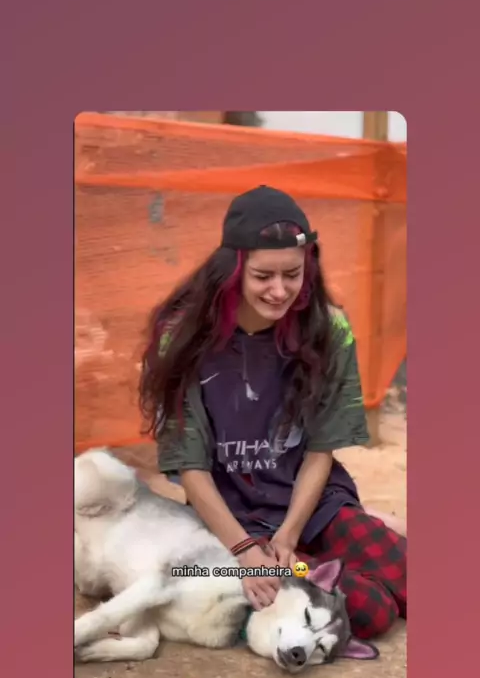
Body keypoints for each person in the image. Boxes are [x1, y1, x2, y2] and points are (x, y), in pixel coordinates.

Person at [138, 185, 406, 641]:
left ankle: (333, 546)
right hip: (236, 518)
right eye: (263, 276)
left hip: (313, 504)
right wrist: (245, 551)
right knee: (373, 611)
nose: (279, 290)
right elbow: (190, 468)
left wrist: (288, 536)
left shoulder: (329, 329)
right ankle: (314, 566)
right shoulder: (181, 337)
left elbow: (320, 450)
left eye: (292, 274)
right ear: (233, 270)